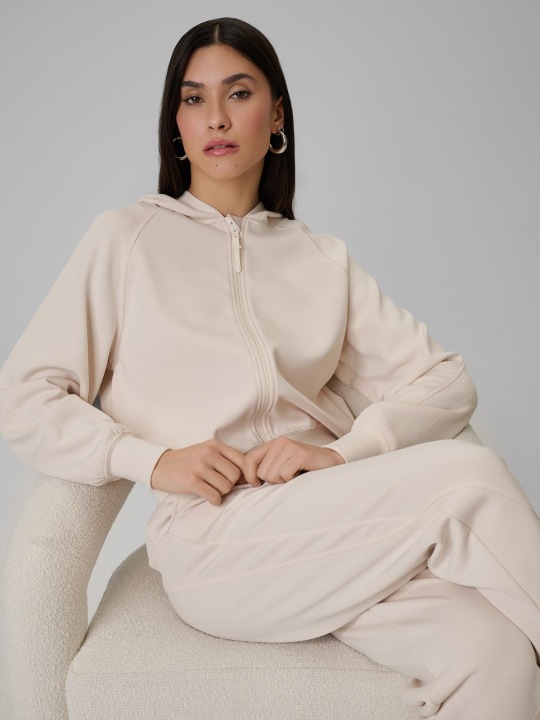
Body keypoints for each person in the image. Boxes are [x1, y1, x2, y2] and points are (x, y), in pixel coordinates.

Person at [1, 16, 539, 720]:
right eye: (193, 98)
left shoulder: (320, 259)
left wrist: (341, 454)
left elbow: (445, 382)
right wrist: (152, 460)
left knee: (495, 656)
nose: (216, 117)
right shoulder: (125, 240)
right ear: (175, 123)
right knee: (471, 479)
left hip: (337, 529)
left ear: (277, 114)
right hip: (218, 542)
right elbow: (25, 395)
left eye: (238, 92)